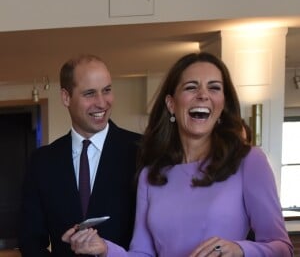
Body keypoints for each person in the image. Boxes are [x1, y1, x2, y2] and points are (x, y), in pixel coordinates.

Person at [62, 52, 293, 256]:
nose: (203, 95)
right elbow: (142, 253)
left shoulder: (249, 161)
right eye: (191, 87)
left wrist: (240, 250)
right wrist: (105, 249)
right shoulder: (151, 175)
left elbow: (282, 247)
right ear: (171, 104)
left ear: (223, 103)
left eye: (214, 87)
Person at [18, 54, 141, 256]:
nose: (102, 103)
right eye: (90, 93)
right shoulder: (42, 163)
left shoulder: (143, 151)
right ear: (66, 97)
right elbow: (30, 240)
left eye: (107, 90)